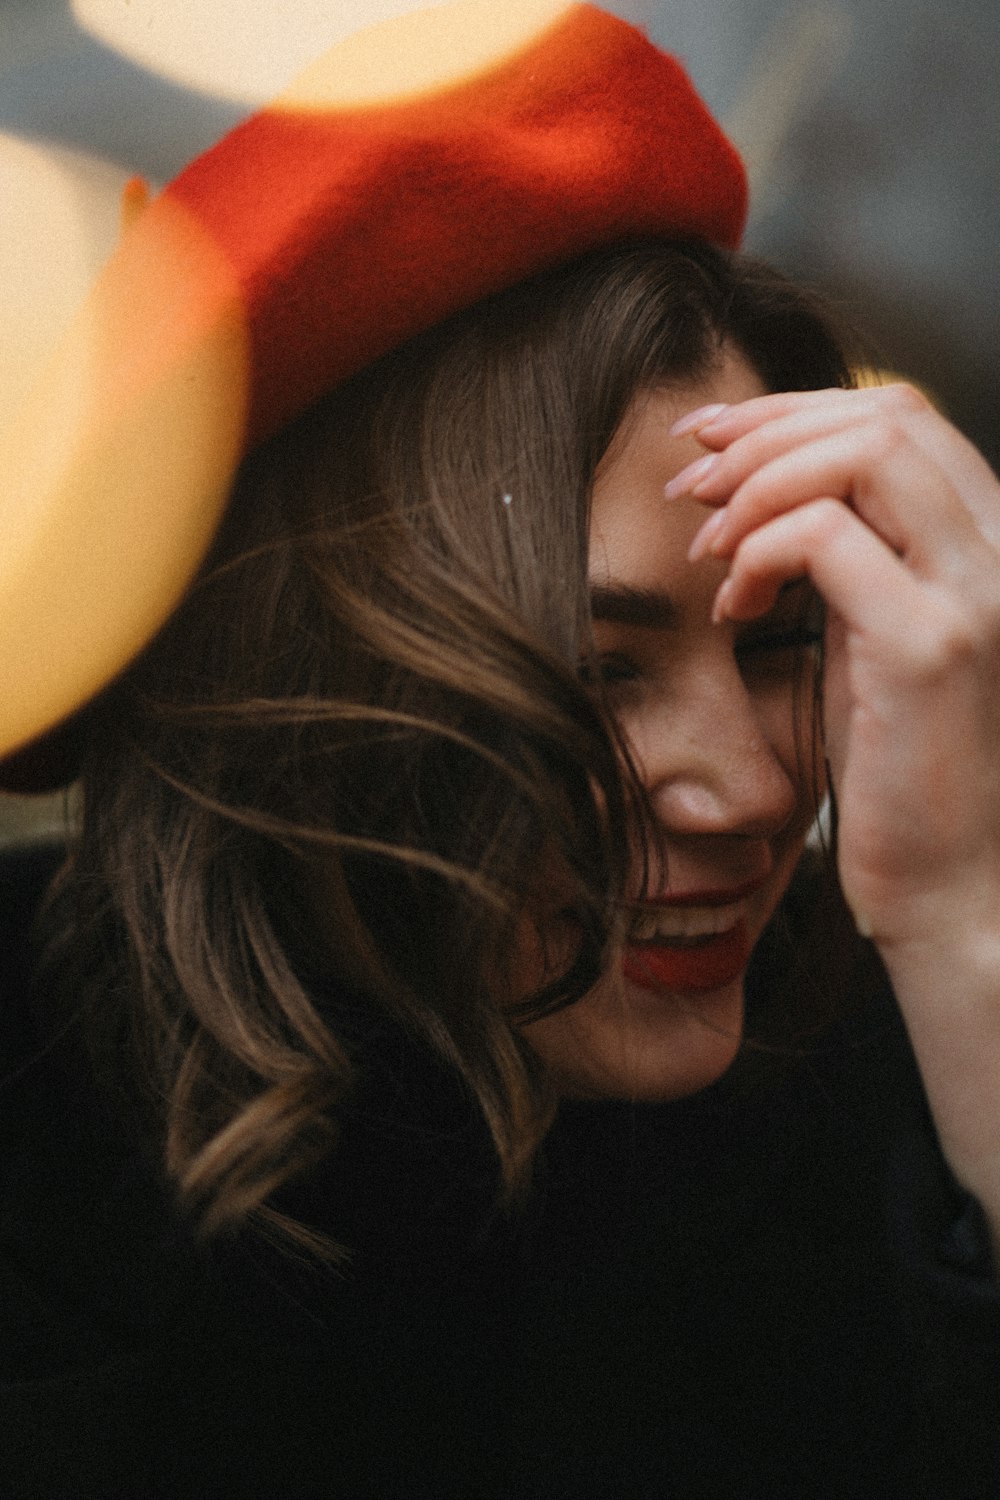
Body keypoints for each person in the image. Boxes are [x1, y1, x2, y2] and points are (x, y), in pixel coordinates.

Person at [1, 3, 999, 1496]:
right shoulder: (35, 1118)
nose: (750, 793)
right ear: (298, 676)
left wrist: (965, 929)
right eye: (592, 674)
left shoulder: (896, 1070)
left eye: (781, 638)